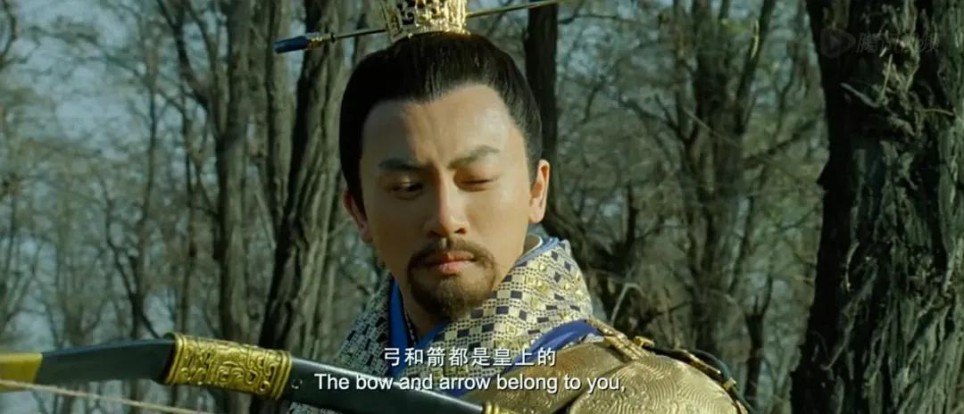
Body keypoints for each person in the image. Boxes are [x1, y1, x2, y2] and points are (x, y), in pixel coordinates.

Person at [283, 0, 751, 412]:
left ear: (536, 190)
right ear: (359, 211)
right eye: (407, 187)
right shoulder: (319, 400)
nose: (446, 218)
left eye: (476, 180)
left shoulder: (655, 397)